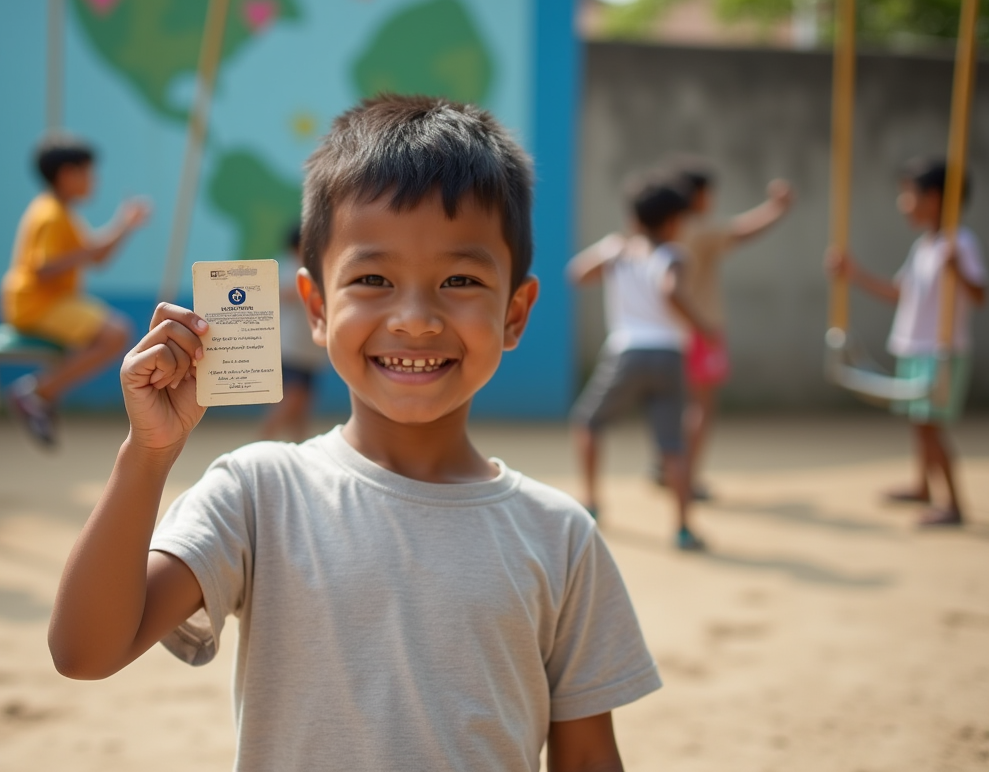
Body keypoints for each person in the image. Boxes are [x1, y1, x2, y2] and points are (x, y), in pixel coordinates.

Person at [48, 95, 662, 772]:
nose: (416, 319)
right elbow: (86, 652)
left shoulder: (561, 535)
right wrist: (147, 456)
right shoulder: (258, 493)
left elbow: (584, 758)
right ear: (315, 307)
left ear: (515, 313)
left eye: (460, 279)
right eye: (372, 279)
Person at [827, 158, 985, 526]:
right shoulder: (924, 247)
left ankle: (954, 503)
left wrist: (959, 270)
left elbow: (979, 295)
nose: (903, 203)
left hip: (941, 349)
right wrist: (854, 275)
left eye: (908, 195)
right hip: (914, 344)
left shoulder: (959, 243)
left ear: (933, 198)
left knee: (931, 426)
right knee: (919, 423)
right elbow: (902, 293)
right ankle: (922, 485)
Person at [566, 174, 716, 551]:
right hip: (669, 354)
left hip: (627, 352)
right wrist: (702, 325)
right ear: (671, 222)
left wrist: (611, 248)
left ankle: (592, 500)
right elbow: (671, 289)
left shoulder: (619, 251)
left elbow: (577, 274)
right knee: (673, 444)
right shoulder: (674, 256)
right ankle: (683, 527)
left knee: (588, 422)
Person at [0, 134, 150, 448]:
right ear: (67, 174)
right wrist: (89, 250)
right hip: (36, 303)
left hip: (51, 301)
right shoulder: (50, 214)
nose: (93, 180)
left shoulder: (63, 212)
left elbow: (98, 256)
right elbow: (44, 268)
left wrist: (125, 225)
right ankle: (37, 393)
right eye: (87, 172)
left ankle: (42, 393)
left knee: (114, 332)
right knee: (115, 333)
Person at [672, 160, 794, 499]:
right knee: (701, 407)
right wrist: (777, 207)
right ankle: (688, 477)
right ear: (697, 196)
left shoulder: (668, 230)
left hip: (672, 331)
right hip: (703, 328)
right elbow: (742, 231)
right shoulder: (699, 228)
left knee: (677, 406)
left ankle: (670, 468)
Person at [259, 225, 330, 442]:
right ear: (297, 246)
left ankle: (299, 446)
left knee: (303, 405)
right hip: (290, 348)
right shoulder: (288, 268)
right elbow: (285, 294)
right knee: (291, 399)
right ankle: (262, 440)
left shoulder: (315, 269)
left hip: (309, 350)